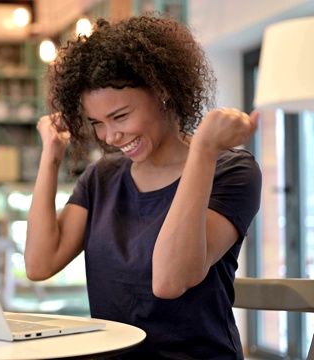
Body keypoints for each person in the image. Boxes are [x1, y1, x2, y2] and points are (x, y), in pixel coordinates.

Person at [24, 14, 262, 359]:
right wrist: (52, 153)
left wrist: (204, 149)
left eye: (120, 117)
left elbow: (169, 280)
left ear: (163, 91)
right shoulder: (101, 177)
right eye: (97, 124)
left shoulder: (231, 171)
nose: (109, 136)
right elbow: (39, 264)